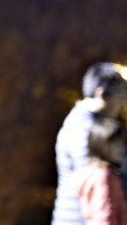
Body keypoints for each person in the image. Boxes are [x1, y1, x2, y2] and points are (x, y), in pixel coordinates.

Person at [53, 62, 127, 225]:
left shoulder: (85, 122)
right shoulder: (84, 131)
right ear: (102, 94)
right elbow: (99, 192)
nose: (121, 107)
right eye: (120, 99)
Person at [75, 117, 127, 224]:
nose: (120, 149)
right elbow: (105, 216)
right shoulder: (104, 176)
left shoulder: (88, 172)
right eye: (115, 144)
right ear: (100, 145)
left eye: (121, 143)